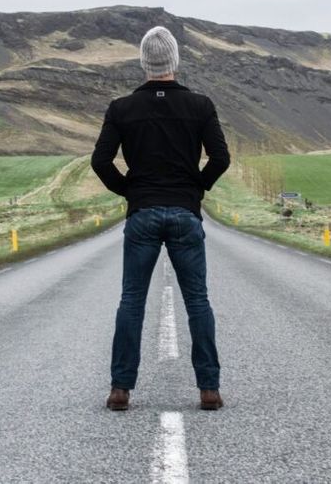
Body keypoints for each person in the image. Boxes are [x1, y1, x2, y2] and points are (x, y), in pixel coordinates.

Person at [91, 25, 231, 411]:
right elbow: (221, 157)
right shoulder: (200, 106)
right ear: (174, 60)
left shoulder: (121, 109)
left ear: (144, 63)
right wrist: (196, 189)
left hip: (143, 213)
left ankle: (120, 389)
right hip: (185, 212)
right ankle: (209, 389)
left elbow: (100, 161)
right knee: (197, 301)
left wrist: (130, 191)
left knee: (132, 301)